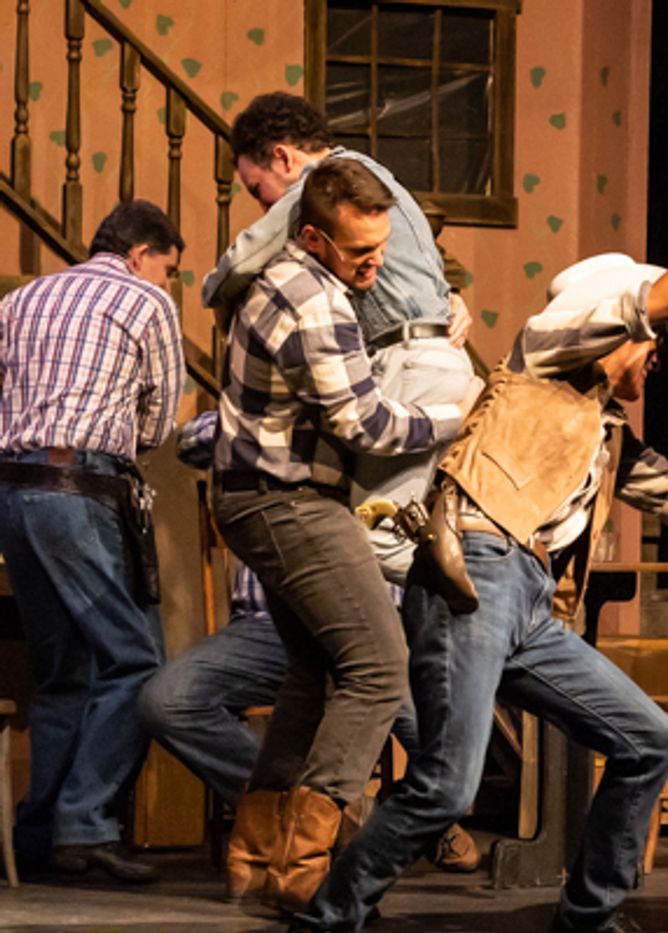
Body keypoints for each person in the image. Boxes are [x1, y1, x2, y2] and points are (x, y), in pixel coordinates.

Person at [292, 191, 668, 933]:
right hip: (477, 570)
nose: (656, 357)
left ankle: (588, 916)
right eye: (653, 342)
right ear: (617, 320)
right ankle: (330, 915)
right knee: (444, 784)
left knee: (648, 740)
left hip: (528, 602)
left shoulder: (602, 424)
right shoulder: (550, 344)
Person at [213, 157, 475, 912]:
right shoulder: (315, 301)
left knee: (311, 672)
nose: (375, 264)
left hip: (262, 496)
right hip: (287, 500)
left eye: (382, 248)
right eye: (361, 252)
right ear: (314, 238)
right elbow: (366, 424)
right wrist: (459, 414)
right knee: (380, 666)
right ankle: (307, 860)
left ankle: (256, 852)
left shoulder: (302, 283)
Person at [136, 412, 480, 878]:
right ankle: (309, 825)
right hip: (266, 629)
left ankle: (404, 823)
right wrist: (277, 421)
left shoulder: (397, 398)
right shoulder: (304, 387)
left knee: (437, 737)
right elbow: (191, 443)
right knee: (167, 701)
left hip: (367, 630)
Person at [206, 91, 480, 584]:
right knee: (410, 526)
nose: (262, 203)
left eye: (256, 187)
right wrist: (453, 300)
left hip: (409, 366)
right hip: (440, 360)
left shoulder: (326, 187)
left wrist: (215, 292)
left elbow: (242, 259)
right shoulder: (376, 177)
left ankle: (481, 603)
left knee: (367, 538)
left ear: (282, 158)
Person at [0, 199, 184, 883]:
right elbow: (159, 418)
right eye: (168, 271)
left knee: (63, 673)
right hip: (80, 489)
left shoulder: (26, 297)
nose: (167, 285)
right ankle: (85, 822)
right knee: (136, 660)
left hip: (12, 490)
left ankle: (40, 835)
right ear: (142, 254)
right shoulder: (144, 300)